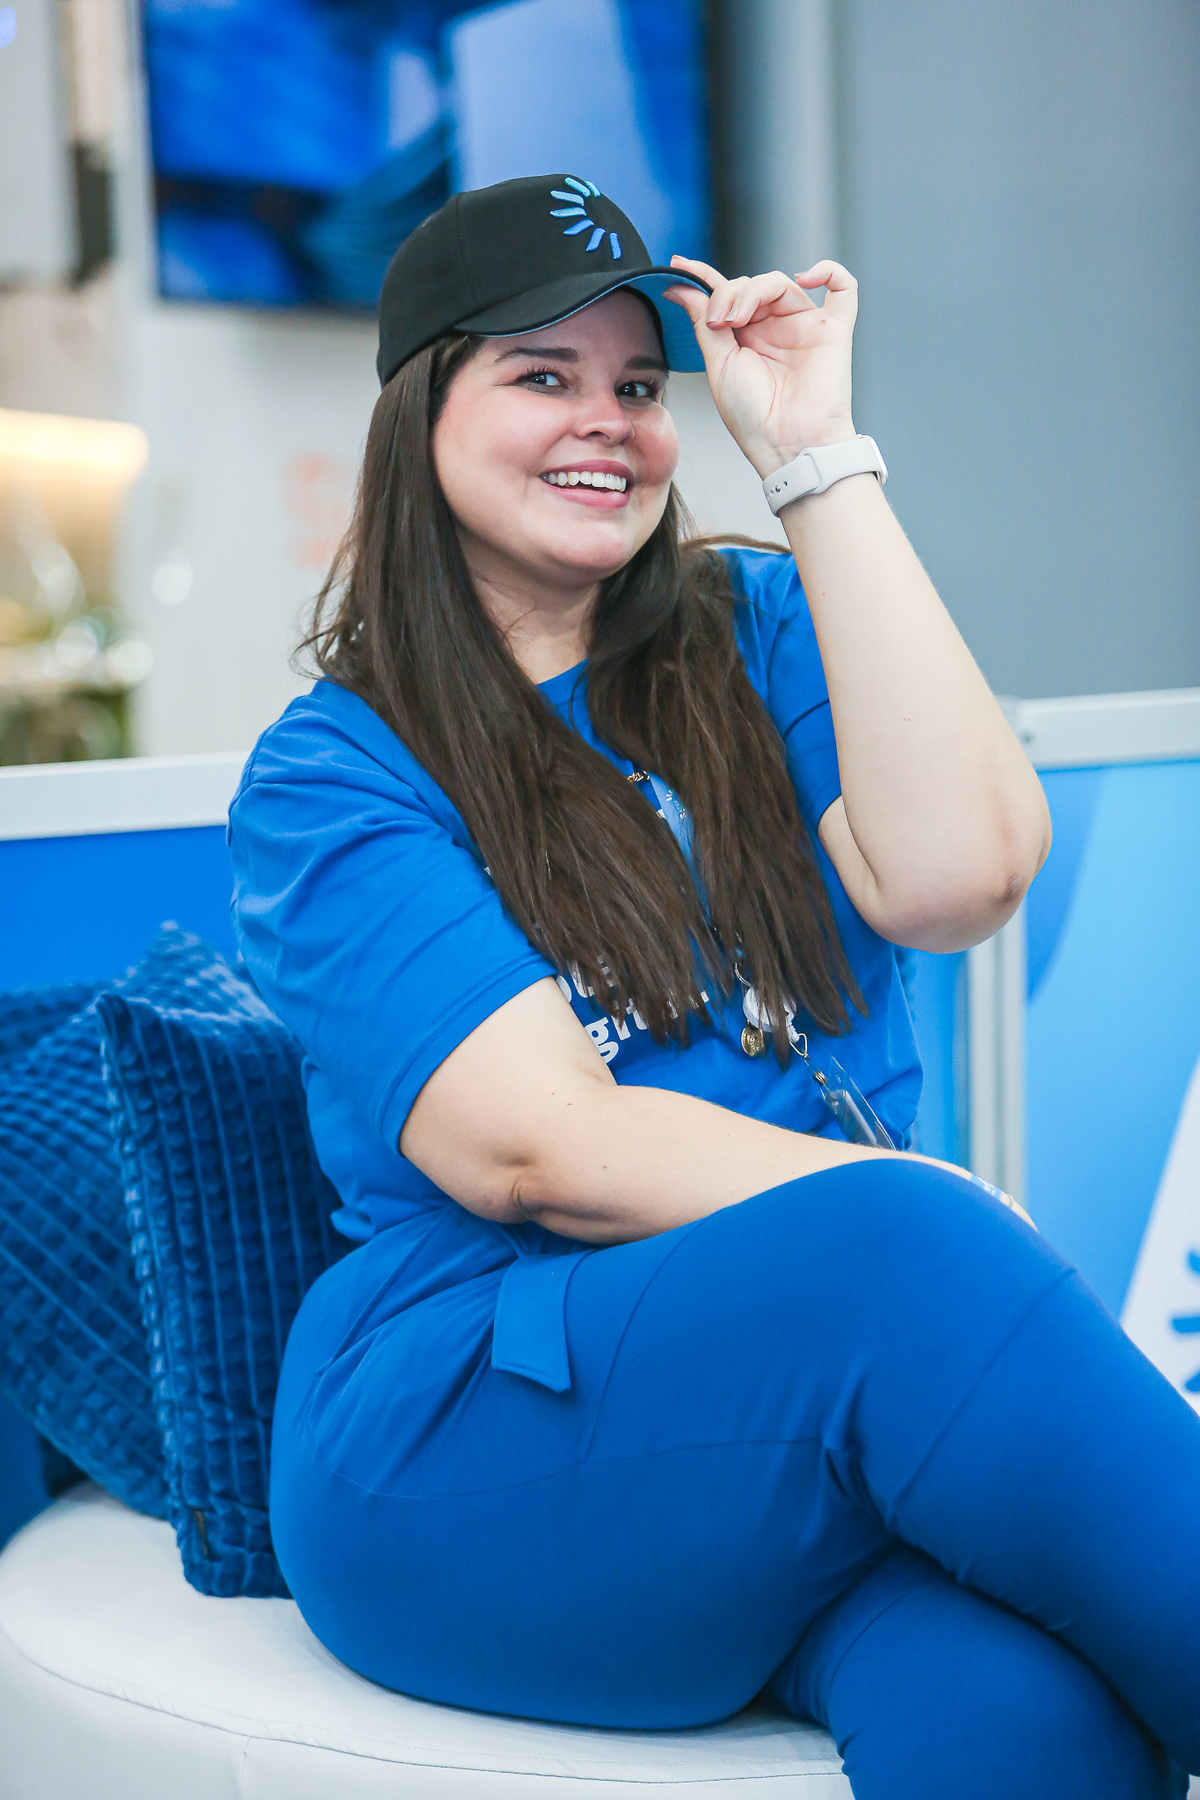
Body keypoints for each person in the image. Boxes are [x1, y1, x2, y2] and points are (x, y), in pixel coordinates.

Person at [228, 176, 1200, 1800]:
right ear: (422, 412)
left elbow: (962, 874)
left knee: (1033, 1709)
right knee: (906, 1246)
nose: (606, 421)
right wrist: (914, 1214)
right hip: (473, 1430)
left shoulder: (754, 625)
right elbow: (541, 1148)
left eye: (637, 384)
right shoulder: (335, 772)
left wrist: (812, 450)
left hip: (796, 1411)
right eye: (542, 375)